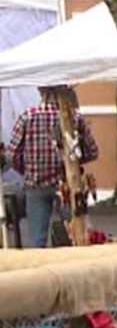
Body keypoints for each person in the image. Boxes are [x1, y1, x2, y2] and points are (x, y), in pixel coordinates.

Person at [10, 85, 97, 248]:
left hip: (35, 185)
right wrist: (76, 163)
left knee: (37, 239)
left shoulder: (27, 117)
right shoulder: (75, 117)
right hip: (67, 184)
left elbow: (13, 154)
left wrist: (26, 170)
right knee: (77, 234)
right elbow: (92, 151)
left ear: (41, 92)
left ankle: (41, 272)